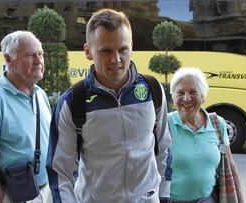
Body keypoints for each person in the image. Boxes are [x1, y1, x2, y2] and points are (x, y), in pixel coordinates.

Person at [46, 9, 172, 203]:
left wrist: (163, 196)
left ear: (131, 47)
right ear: (88, 51)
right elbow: (60, 171)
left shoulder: (152, 90)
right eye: (106, 51)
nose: (116, 59)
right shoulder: (73, 102)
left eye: (123, 49)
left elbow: (164, 147)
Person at [0, 31, 52, 203]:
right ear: (9, 59)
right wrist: (3, 200)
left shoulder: (40, 95)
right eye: (30, 55)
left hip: (46, 192)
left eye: (41, 54)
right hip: (16, 196)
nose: (38, 61)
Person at [168, 67, 241, 202]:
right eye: (180, 93)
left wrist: (240, 199)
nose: (186, 98)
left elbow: (230, 165)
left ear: (203, 96)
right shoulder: (165, 124)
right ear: (173, 97)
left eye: (193, 92)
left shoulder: (218, 124)